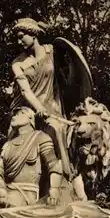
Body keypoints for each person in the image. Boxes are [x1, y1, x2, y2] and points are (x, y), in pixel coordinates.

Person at [10, 17, 73, 179]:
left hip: (53, 108)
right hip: (28, 110)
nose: (19, 41)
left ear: (33, 33)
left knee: (58, 128)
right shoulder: (17, 63)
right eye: (17, 37)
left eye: (21, 35)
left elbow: (67, 76)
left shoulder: (51, 51)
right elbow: (25, 91)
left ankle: (66, 177)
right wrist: (39, 108)